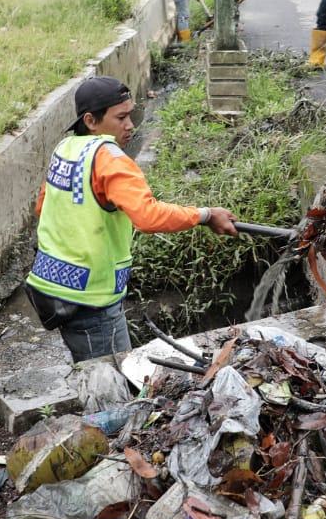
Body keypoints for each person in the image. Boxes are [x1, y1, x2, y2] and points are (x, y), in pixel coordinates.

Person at [25, 76, 239, 362]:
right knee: (111, 377)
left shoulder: (65, 149)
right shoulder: (111, 160)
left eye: (130, 115)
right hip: (92, 299)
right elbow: (148, 216)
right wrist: (206, 215)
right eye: (121, 117)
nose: (130, 125)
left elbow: (43, 208)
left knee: (89, 368)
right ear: (90, 121)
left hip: (51, 291)